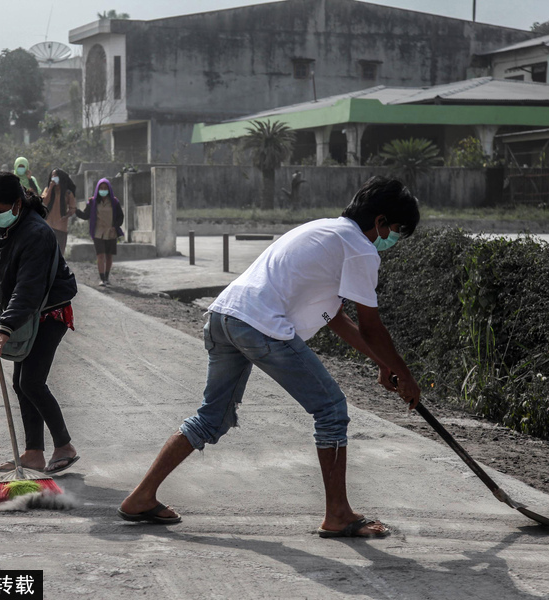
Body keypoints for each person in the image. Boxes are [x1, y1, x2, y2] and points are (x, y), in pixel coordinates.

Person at [118, 176, 422, 536]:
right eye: (396, 231)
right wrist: (407, 376)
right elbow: (372, 327)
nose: (392, 240)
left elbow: (337, 318)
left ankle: (140, 497)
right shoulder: (360, 248)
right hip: (260, 324)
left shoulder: (323, 230)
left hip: (224, 316)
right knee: (331, 408)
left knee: (211, 416)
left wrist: (384, 364)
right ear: (381, 222)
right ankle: (338, 514)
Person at [0, 172, 81, 475]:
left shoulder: (37, 233)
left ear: (17, 204)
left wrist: (3, 331)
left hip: (49, 312)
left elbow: (28, 289)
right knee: (20, 384)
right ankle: (33, 452)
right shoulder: (3, 227)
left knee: (31, 382)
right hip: (24, 312)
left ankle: (64, 447)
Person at [75, 178, 123, 286]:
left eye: (105, 188)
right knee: (100, 255)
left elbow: (120, 216)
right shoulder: (92, 202)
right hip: (98, 232)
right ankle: (102, 279)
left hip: (111, 232)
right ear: (98, 189)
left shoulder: (114, 202)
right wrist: (76, 211)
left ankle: (107, 277)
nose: (103, 190)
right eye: (101, 188)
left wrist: (116, 226)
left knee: (109, 256)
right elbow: (86, 215)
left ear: (109, 189)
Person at [41, 168, 77, 254]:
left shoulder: (67, 193)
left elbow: (73, 208)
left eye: (56, 176)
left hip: (61, 227)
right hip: (48, 225)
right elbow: (45, 201)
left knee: (59, 253)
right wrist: (51, 187)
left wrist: (67, 215)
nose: (54, 177)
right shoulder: (47, 190)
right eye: (52, 175)